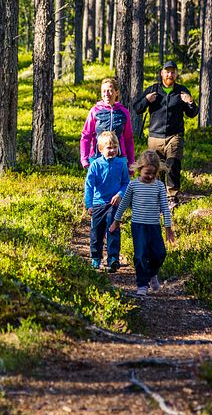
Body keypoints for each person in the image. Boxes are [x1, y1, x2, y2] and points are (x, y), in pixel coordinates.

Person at [133, 61, 198, 210]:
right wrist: (146, 100)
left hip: (174, 136)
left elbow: (192, 113)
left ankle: (172, 197)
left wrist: (190, 102)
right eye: (167, 71)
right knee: (157, 168)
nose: (170, 74)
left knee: (173, 164)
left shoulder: (181, 91)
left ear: (176, 74)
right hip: (155, 136)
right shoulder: (153, 89)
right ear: (162, 73)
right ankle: (158, 196)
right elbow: (137, 108)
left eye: (172, 71)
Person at [110, 150, 175, 297]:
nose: (150, 176)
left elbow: (165, 207)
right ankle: (142, 285)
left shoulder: (159, 186)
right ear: (140, 170)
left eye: (153, 173)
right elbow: (123, 204)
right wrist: (116, 221)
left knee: (160, 254)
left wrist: (168, 228)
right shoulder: (133, 186)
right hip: (138, 226)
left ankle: (152, 274)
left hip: (154, 226)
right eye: (147, 173)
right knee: (140, 255)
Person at [84, 131, 130, 272]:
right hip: (98, 203)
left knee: (113, 230)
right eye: (109, 148)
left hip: (114, 204)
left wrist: (120, 194)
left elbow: (126, 183)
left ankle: (113, 259)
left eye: (115, 147)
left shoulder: (121, 164)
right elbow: (89, 185)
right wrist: (89, 204)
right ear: (100, 149)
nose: (112, 150)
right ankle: (96, 258)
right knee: (96, 232)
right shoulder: (96, 165)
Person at [80, 77, 135, 173]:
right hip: (97, 157)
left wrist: (131, 163)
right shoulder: (95, 111)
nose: (106, 94)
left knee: (119, 186)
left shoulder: (123, 112)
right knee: (98, 187)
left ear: (116, 92)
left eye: (110, 90)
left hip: (119, 158)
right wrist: (84, 159)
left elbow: (128, 139)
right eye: (104, 91)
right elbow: (86, 136)